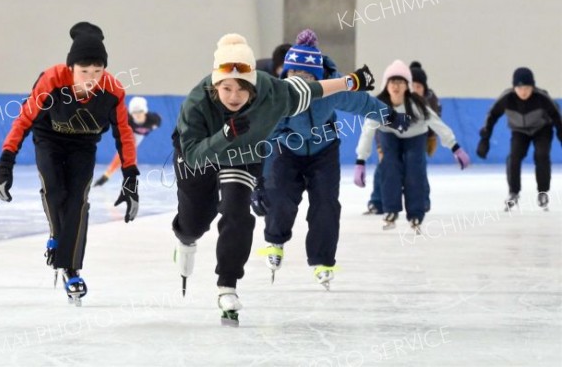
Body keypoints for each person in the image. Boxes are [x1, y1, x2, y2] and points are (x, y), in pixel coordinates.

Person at [171, 33, 377, 325]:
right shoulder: (196, 103)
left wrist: (351, 82)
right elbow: (193, 156)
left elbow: (313, 89)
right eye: (226, 88)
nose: (234, 96)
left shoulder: (271, 91)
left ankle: (227, 285)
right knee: (196, 222)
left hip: (242, 153)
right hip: (199, 153)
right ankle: (184, 238)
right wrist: (224, 135)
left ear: (254, 84)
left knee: (237, 213)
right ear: (215, 84)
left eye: (242, 89)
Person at [0, 22, 139, 305]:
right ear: (71, 67)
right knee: (55, 192)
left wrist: (131, 178)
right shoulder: (52, 79)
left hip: (84, 145)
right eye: (84, 71)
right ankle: (57, 235)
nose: (91, 79)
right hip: (49, 139)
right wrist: (5, 165)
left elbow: (124, 135)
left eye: (98, 71)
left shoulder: (113, 90)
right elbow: (24, 121)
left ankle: (71, 268)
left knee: (78, 201)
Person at [254, 29, 409, 289]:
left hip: (323, 150)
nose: (297, 82)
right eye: (292, 74)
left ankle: (322, 260)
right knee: (278, 195)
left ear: (318, 77)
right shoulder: (280, 96)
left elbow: (364, 103)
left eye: (304, 76)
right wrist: (258, 181)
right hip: (285, 149)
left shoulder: (333, 88)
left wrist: (391, 117)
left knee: (326, 204)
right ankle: (275, 239)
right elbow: (266, 138)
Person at [354, 60, 470, 233]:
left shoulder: (416, 104)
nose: (396, 86)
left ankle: (416, 213)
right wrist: (360, 160)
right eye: (392, 81)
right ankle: (391, 211)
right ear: (386, 84)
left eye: (400, 82)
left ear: (407, 85)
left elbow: (437, 124)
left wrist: (455, 147)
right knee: (389, 165)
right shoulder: (378, 106)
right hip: (390, 136)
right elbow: (367, 132)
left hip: (415, 137)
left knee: (414, 169)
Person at [476, 67, 562, 210]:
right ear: (514, 87)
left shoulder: (542, 97)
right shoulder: (507, 98)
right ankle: (513, 192)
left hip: (542, 129)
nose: (523, 92)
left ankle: (542, 192)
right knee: (514, 158)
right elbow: (491, 116)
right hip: (519, 132)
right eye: (519, 88)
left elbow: (557, 117)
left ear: (532, 87)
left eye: (527, 88)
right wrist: (484, 139)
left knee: (541, 155)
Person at [365, 60, 442, 215]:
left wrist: (431, 138)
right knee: (386, 168)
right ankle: (378, 202)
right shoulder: (393, 98)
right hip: (392, 139)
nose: (416, 89)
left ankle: (423, 201)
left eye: (419, 87)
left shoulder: (429, 100)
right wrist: (380, 146)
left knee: (417, 170)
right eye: (414, 85)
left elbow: (433, 120)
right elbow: (377, 125)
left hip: (415, 140)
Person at [93, 96, 161, 186]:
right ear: (131, 113)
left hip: (139, 134)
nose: (137, 115)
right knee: (126, 150)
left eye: (140, 111)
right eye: (134, 112)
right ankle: (108, 175)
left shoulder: (155, 120)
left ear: (145, 111)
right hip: (131, 133)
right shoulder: (127, 121)